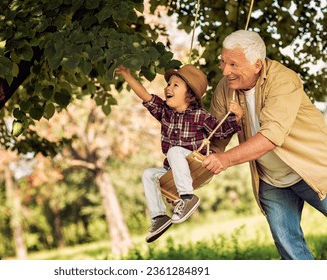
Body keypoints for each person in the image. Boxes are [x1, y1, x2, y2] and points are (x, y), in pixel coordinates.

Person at [202, 29, 327, 259]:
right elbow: (216, 141)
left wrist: (227, 159)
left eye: (233, 64)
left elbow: (271, 136)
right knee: (290, 250)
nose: (225, 70)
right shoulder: (225, 88)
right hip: (271, 179)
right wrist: (186, 178)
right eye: (223, 62)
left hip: (313, 168)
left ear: (257, 65)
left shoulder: (283, 80)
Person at [116, 64, 243, 242]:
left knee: (174, 151)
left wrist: (236, 116)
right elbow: (146, 97)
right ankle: (159, 217)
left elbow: (220, 132)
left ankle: (187, 198)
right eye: (169, 84)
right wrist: (128, 76)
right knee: (148, 174)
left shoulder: (199, 115)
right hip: (175, 172)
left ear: (189, 95)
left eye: (175, 85)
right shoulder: (165, 113)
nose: (168, 87)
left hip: (196, 166)